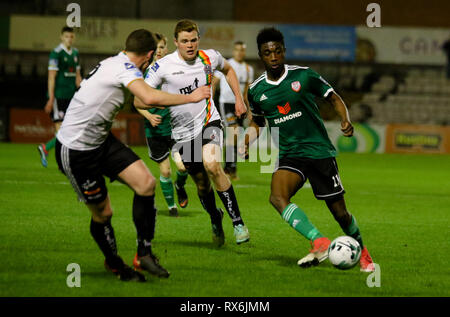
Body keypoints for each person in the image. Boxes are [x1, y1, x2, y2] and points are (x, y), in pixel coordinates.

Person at [55, 29, 211, 282]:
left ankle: (144, 254)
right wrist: (190, 97)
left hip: (101, 142)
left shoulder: (115, 62)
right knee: (103, 213)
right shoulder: (125, 69)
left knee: (146, 183)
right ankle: (115, 263)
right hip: (77, 150)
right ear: (149, 55)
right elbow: (147, 96)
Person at [241, 27, 375, 272]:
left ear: (284, 51)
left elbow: (333, 96)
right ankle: (319, 241)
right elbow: (257, 121)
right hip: (290, 153)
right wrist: (247, 141)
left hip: (318, 151)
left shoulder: (303, 76)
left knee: (340, 214)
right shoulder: (256, 91)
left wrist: (344, 119)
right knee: (277, 197)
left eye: (277, 51)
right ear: (261, 55)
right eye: (267, 52)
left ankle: (363, 253)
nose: (273, 56)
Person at [136, 20, 250, 246]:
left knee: (212, 165)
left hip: (209, 121)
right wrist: (169, 101)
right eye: (185, 41)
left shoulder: (210, 57)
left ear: (199, 38)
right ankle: (215, 218)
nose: (190, 45)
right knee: (201, 184)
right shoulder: (162, 67)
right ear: (176, 42)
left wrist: (238, 98)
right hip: (182, 133)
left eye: (194, 39)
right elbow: (140, 99)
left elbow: (228, 70)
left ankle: (238, 222)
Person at [135, 33, 189, 217]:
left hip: (174, 128)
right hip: (155, 130)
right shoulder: (144, 74)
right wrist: (149, 116)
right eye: (156, 47)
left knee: (183, 167)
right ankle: (172, 207)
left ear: (167, 49)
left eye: (162, 47)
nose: (159, 51)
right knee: (165, 170)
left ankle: (180, 185)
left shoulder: (173, 69)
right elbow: (137, 103)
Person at [38, 26, 82, 167]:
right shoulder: (56, 53)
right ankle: (54, 153)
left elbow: (77, 76)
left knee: (69, 130)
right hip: (58, 96)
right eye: (66, 36)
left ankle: (47, 149)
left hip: (71, 97)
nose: (69, 39)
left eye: (71, 37)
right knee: (62, 131)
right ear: (61, 37)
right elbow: (51, 77)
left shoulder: (75, 53)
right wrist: (51, 98)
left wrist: (82, 93)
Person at [212, 41, 254, 180]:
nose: (239, 52)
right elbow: (214, 83)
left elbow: (247, 91)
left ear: (244, 52)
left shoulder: (249, 69)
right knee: (233, 131)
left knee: (235, 136)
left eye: (242, 50)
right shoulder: (226, 64)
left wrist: (249, 109)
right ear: (234, 51)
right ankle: (229, 168)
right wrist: (210, 101)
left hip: (240, 105)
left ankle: (231, 168)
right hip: (226, 103)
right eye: (237, 50)